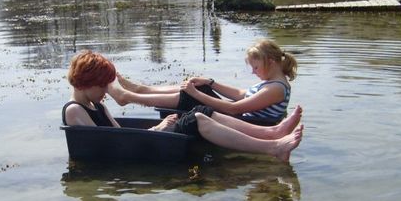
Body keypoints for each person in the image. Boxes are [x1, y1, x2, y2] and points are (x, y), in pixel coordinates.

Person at [63, 50, 303, 161]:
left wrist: (157, 129)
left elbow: (118, 135)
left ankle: (271, 134)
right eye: (102, 86)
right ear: (86, 84)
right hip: (143, 149)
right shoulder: (75, 111)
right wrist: (159, 129)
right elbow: (111, 145)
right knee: (198, 117)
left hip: (144, 142)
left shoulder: (98, 107)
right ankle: (271, 147)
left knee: (201, 111)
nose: (105, 92)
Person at [107, 39, 297, 123]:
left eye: (256, 68)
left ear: (271, 62)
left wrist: (196, 94)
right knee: (200, 87)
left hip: (244, 122)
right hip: (240, 118)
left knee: (193, 96)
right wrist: (210, 82)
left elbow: (234, 108)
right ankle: (143, 90)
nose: (254, 72)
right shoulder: (271, 83)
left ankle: (129, 97)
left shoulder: (276, 89)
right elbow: (241, 95)